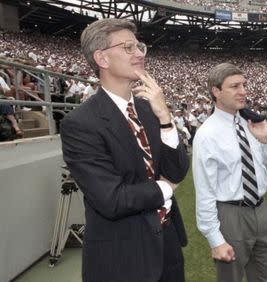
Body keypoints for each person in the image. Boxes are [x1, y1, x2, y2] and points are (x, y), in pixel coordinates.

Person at [60, 18, 189, 282]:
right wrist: (166, 188)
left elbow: (177, 169)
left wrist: (164, 115)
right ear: (102, 59)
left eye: (139, 46)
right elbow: (112, 199)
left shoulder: (148, 108)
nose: (139, 53)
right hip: (122, 257)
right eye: (128, 47)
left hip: (167, 244)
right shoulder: (80, 123)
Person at [193, 63, 267, 282]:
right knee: (230, 278)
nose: (243, 91)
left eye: (244, 85)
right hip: (231, 215)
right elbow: (205, 191)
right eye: (234, 86)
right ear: (216, 91)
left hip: (262, 210)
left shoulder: (251, 122)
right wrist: (215, 239)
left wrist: (265, 140)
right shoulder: (207, 134)